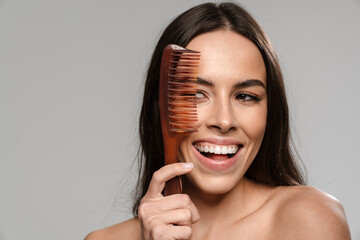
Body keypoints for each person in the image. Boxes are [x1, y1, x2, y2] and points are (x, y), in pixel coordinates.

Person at [85, 2, 351, 239]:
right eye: (197, 94)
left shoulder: (309, 220)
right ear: (162, 106)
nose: (224, 121)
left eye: (245, 96)